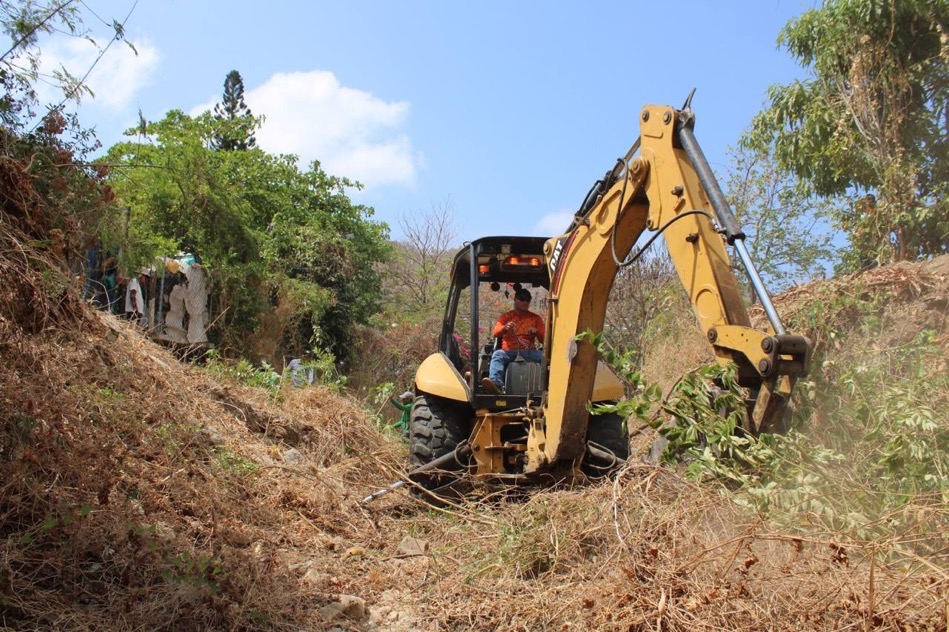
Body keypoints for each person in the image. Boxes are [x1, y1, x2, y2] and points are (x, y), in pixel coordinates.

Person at [482, 288, 544, 394]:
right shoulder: (506, 317)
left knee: (543, 358)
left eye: (528, 300)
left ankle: (546, 387)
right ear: (515, 300)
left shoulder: (536, 318)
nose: (525, 302)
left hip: (529, 351)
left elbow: (543, 339)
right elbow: (496, 332)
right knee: (497, 355)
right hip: (508, 351)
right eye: (522, 299)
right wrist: (505, 328)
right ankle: (497, 385)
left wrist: (536, 331)